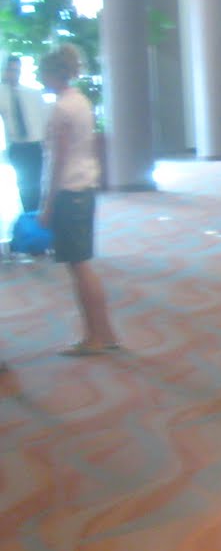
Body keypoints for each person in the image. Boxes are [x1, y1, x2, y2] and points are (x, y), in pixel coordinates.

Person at [38, 45, 119, 357]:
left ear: (55, 74)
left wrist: (47, 205)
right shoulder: (82, 102)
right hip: (84, 188)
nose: (40, 78)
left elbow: (58, 161)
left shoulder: (62, 108)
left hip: (69, 192)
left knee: (80, 267)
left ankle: (95, 337)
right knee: (82, 264)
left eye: (42, 73)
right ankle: (104, 333)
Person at [4, 54, 50, 216]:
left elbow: (43, 119)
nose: (13, 74)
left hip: (34, 145)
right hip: (17, 147)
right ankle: (29, 215)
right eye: (10, 70)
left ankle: (38, 216)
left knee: (37, 184)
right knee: (23, 185)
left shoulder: (32, 93)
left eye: (16, 70)